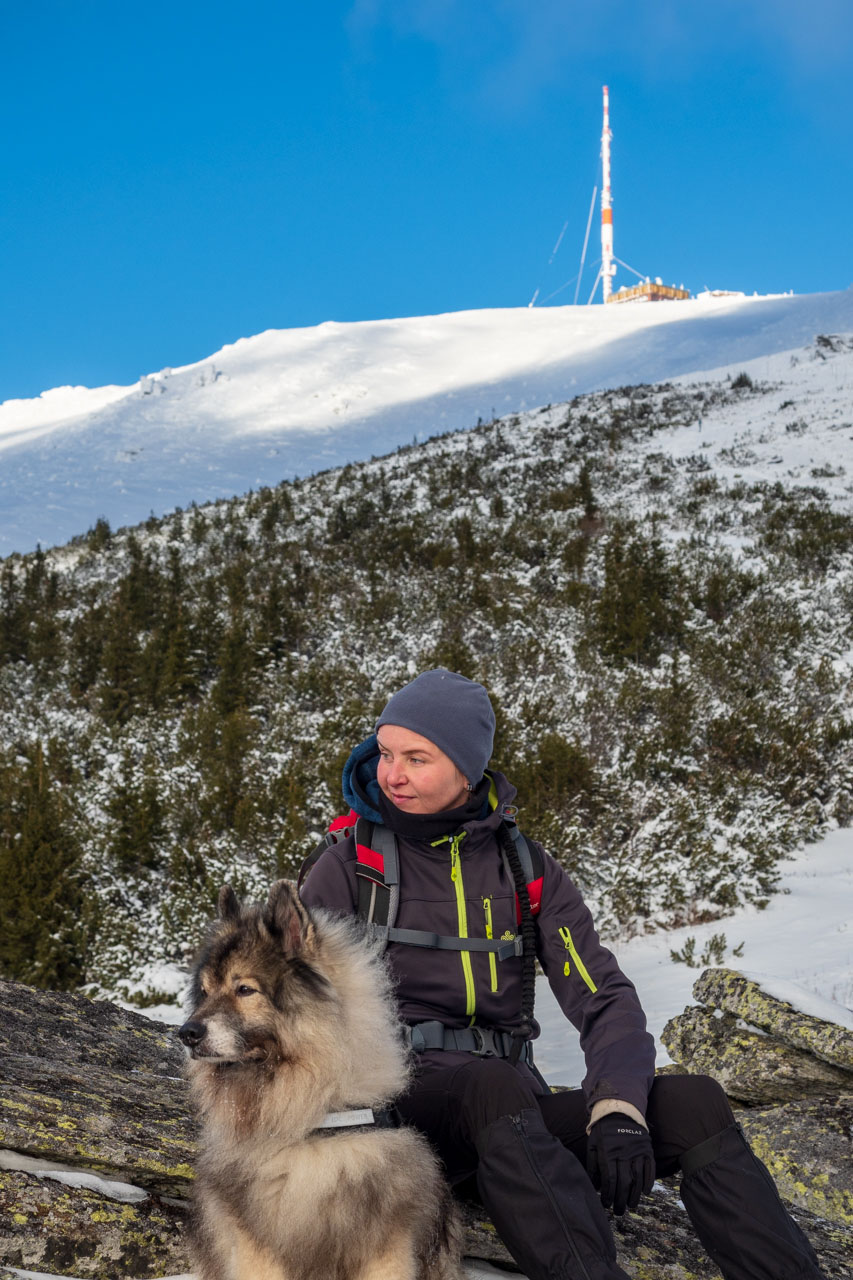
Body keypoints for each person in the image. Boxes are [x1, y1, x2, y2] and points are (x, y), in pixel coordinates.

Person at [301, 668, 825, 1280]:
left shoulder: (523, 869)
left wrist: (618, 1107)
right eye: (387, 753)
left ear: (467, 770)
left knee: (696, 1104)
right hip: (398, 1121)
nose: (392, 774)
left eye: (417, 758)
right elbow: (290, 1005)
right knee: (488, 1084)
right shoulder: (348, 868)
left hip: (511, 1127)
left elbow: (603, 996)